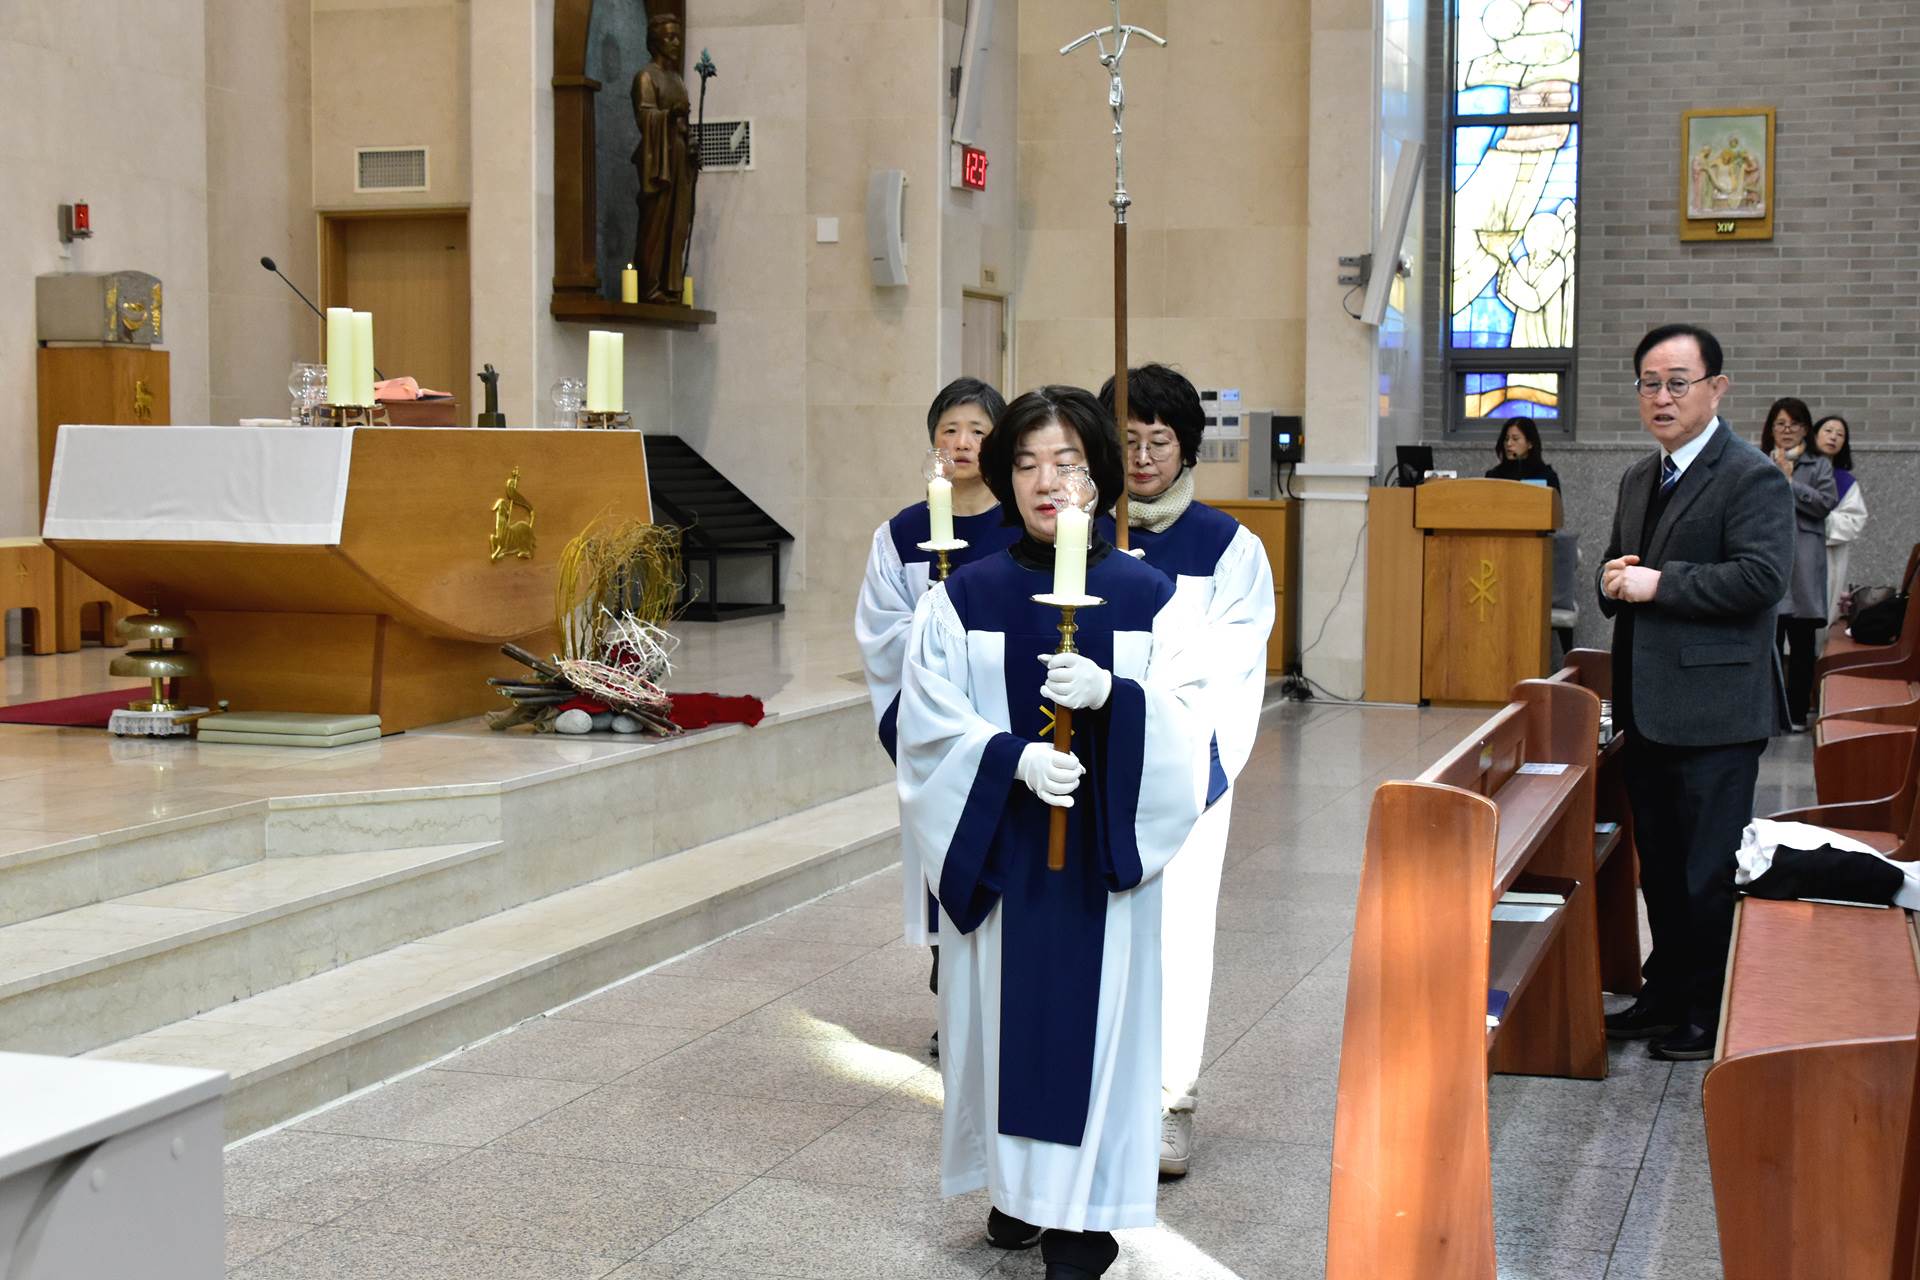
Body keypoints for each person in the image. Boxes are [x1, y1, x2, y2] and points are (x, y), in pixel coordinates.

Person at [896, 386, 1212, 1279]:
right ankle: (1016, 1192)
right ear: (1004, 477)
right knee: (1001, 1029)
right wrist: (1008, 760)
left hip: (1101, 871)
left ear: (1099, 475)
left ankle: (1084, 1219)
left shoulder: (1150, 599)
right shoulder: (964, 600)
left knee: (1098, 1028)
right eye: (1028, 464)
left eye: (1067, 462)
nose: (1047, 482)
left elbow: (1193, 727)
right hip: (1004, 858)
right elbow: (926, 728)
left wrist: (1117, 700)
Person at [1094, 363, 1273, 1179]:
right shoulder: (1079, 535)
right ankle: (1092, 1095)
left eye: (1158, 441)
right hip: (1084, 764)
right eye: (1126, 440)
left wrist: (1145, 693)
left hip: (1181, 764)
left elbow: (1231, 664)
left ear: (1187, 447)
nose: (1141, 458)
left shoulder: (1227, 548)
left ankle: (1171, 1102)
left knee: (1177, 933)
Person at [1598, 323, 1792, 1061]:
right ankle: (1664, 994)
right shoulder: (1639, 477)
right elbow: (1623, 568)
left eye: (1678, 382)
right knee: (1660, 866)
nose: (1663, 397)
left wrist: (1660, 584)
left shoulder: (1750, 475)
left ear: (1716, 388)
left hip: (1716, 713)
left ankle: (1708, 1011)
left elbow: (1761, 579)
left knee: (1707, 872)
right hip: (1648, 709)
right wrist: (1610, 581)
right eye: (1649, 383)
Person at [856, 378, 1019, 1053]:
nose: (962, 442)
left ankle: (1005, 1000)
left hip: (1008, 723)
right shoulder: (903, 534)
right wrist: (940, 635)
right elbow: (881, 629)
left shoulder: (1025, 526)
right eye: (950, 429)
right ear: (932, 441)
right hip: (935, 727)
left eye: (978, 430)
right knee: (943, 859)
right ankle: (950, 991)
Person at [1758, 397, 1838, 729]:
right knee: (1769, 643)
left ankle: (1796, 714)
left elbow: (1826, 503)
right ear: (1771, 428)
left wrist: (1790, 483)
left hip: (1804, 565)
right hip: (1770, 560)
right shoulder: (1758, 461)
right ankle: (1770, 714)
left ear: (1806, 429)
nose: (1787, 430)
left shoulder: (1818, 465)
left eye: (1794, 424)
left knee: (1803, 644)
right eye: (1780, 423)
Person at [1811, 414, 1868, 626]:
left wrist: (1819, 520)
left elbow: (1854, 520)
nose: (1833, 437)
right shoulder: (1796, 471)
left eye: (1840, 434)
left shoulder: (1846, 482)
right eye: (1828, 431)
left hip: (1829, 555)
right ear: (1814, 435)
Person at [1483, 419, 1562, 490]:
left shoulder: (1546, 476)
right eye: (1506, 439)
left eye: (1515, 439)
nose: (1509, 444)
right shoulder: (1494, 475)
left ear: (1530, 443)